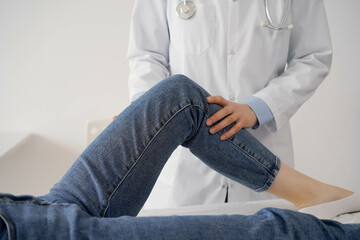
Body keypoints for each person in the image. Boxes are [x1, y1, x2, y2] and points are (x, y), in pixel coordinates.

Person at [1, 75, 359, 239]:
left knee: (181, 97)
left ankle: (311, 193)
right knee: (279, 231)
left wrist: (136, 113)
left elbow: (311, 55)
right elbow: (147, 54)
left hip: (29, 209)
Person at [127, 0, 333, 207]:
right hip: (186, 164)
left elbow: (313, 57)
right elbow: (147, 56)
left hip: (261, 144)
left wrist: (259, 108)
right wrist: (146, 112)